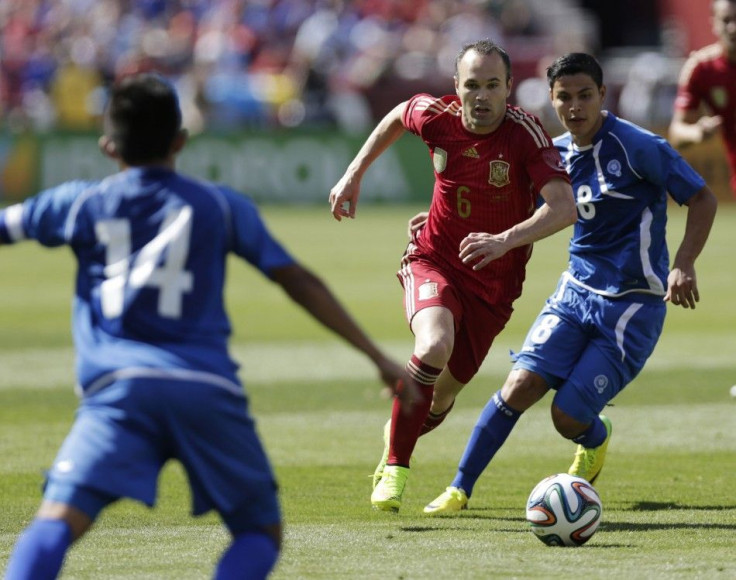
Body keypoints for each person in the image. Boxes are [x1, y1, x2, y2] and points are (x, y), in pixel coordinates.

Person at [1, 73, 418, 579]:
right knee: (258, 533)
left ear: (108, 146)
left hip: (119, 391)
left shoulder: (79, 202)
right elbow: (298, 280)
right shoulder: (221, 205)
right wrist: (377, 357)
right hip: (206, 389)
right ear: (181, 141)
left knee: (57, 522)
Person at [424, 52, 718, 514]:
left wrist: (684, 262)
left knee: (567, 416)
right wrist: (435, 226)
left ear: (603, 95)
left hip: (632, 306)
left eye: (585, 96)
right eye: (564, 97)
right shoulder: (554, 155)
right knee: (518, 386)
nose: (575, 107)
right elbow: (510, 210)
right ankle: (459, 489)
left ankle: (595, 437)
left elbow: (702, 197)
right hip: (575, 293)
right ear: (552, 100)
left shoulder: (638, 146)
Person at [328, 39, 578, 513]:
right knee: (432, 347)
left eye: (491, 85)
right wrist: (353, 173)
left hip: (494, 288)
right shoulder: (437, 118)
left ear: (508, 88)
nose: (481, 96)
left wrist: (505, 239)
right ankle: (397, 470)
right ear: (456, 88)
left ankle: (399, 430)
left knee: (439, 402)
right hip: (433, 259)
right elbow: (400, 113)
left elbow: (564, 208)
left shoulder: (525, 134)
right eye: (471, 86)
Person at [669, 0, 736, 197]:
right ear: (714, 23)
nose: (733, 28)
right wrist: (698, 131)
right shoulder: (701, 68)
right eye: (726, 20)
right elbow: (676, 133)